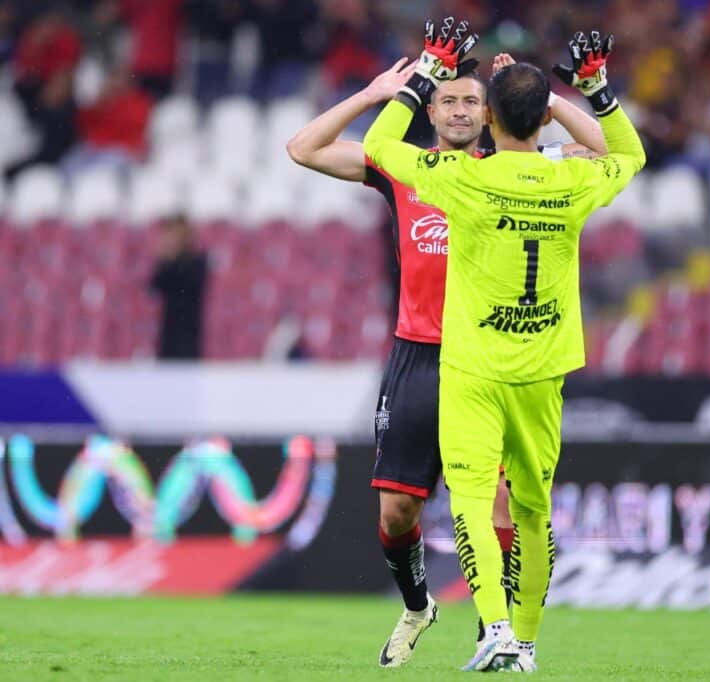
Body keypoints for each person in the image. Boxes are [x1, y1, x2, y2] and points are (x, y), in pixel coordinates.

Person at [286, 49, 607, 668]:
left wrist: (541, 96)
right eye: (448, 100)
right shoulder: (407, 169)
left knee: (499, 507)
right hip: (418, 355)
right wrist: (375, 93)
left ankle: (505, 634)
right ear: (429, 109)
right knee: (398, 511)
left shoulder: (518, 165)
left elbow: (601, 151)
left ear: (489, 112)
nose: (460, 111)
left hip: (488, 359)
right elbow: (303, 148)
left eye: (471, 101)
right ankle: (417, 605)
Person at [363, 20, 645, 672]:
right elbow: (629, 153)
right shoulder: (572, 183)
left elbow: (379, 146)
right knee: (532, 509)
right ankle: (526, 643)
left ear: (485, 117)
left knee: (467, 503)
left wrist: (430, 73)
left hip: (474, 368)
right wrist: (594, 90)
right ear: (545, 121)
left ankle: (492, 628)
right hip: (543, 370)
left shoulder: (463, 179)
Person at [149, 214, 208, 359]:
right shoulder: (166, 262)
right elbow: (155, 286)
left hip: (190, 334)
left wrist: (171, 258)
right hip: (168, 334)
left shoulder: (198, 261)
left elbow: (188, 284)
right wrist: (164, 259)